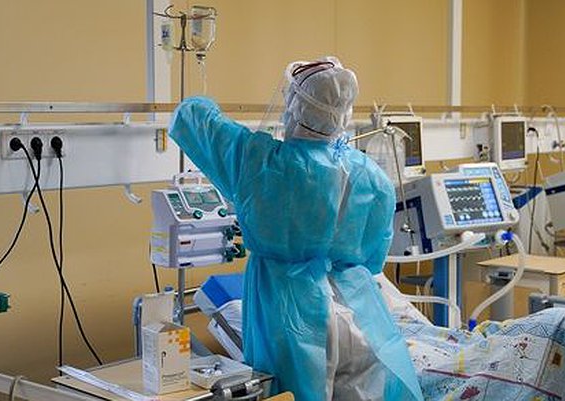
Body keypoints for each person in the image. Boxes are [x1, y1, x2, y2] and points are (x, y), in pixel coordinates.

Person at [169, 57, 423, 401]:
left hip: (293, 318)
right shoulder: (371, 175)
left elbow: (191, 116)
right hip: (358, 313)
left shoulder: (259, 162)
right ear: (344, 113)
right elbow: (374, 258)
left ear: (295, 107)